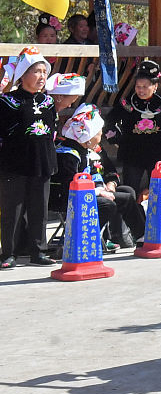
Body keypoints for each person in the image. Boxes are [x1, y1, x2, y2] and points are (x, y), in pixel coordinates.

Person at [52, 104, 145, 251]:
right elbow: (71, 185)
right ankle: (86, 238)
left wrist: (107, 185)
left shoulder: (85, 150)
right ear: (88, 136)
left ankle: (141, 237)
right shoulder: (68, 154)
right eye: (98, 132)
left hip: (88, 193)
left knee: (126, 195)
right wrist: (99, 192)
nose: (101, 135)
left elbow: (107, 171)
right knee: (109, 203)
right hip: (68, 198)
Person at [0, 48, 57, 268]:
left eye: (44, 72)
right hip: (14, 162)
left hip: (42, 161)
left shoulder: (48, 102)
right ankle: (8, 253)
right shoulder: (7, 101)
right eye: (36, 71)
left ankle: (38, 251)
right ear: (23, 75)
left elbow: (52, 129)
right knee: (12, 211)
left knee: (39, 209)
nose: (42, 76)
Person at [105, 61, 161, 195]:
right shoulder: (127, 103)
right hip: (132, 153)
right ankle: (132, 215)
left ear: (155, 86)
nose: (140, 90)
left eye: (145, 87)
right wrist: (116, 139)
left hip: (157, 153)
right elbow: (110, 121)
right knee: (131, 189)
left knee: (158, 190)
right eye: (138, 86)